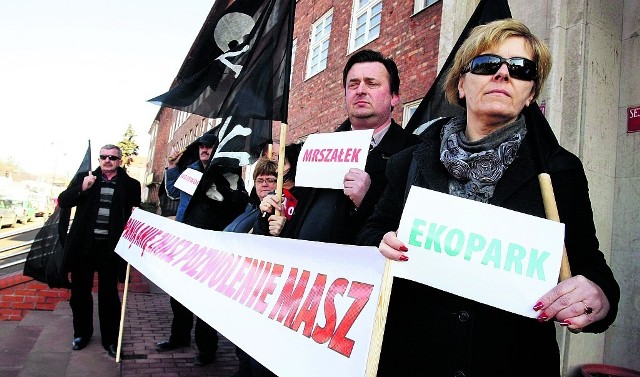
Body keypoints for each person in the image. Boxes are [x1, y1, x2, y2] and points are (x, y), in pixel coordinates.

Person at [356, 19, 620, 376]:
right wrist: (381, 243)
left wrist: (597, 296)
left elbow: (589, 264)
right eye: (486, 64)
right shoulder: (410, 161)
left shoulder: (558, 171)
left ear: (529, 93)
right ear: (461, 85)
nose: (502, 74)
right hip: (412, 359)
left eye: (520, 68)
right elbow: (372, 232)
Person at [257, 49, 419, 243]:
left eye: (371, 83)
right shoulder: (318, 149)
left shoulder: (415, 154)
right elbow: (296, 218)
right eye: (353, 84)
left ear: (394, 97)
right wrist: (273, 218)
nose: (360, 90)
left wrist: (366, 201)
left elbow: (412, 236)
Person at [157, 133, 248, 367]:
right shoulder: (191, 169)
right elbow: (174, 193)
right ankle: (179, 337)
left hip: (210, 243)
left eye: (209, 147)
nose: (204, 150)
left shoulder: (227, 170)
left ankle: (207, 349)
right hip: (184, 240)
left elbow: (236, 201)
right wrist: (172, 167)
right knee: (179, 295)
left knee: (205, 299)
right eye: (202, 147)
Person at [58, 144, 141, 358]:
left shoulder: (131, 185)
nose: (107, 160)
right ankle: (82, 334)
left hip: (110, 248)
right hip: (84, 246)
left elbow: (135, 214)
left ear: (119, 161)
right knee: (80, 294)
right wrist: (82, 188)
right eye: (104, 157)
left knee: (109, 297)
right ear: (99, 159)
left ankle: (110, 340)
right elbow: (64, 201)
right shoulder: (86, 179)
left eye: (112, 157)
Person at [224, 158, 278, 377]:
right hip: (244, 282)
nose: (264, 184)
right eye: (260, 180)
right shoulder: (248, 207)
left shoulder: (284, 211)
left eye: (271, 180)